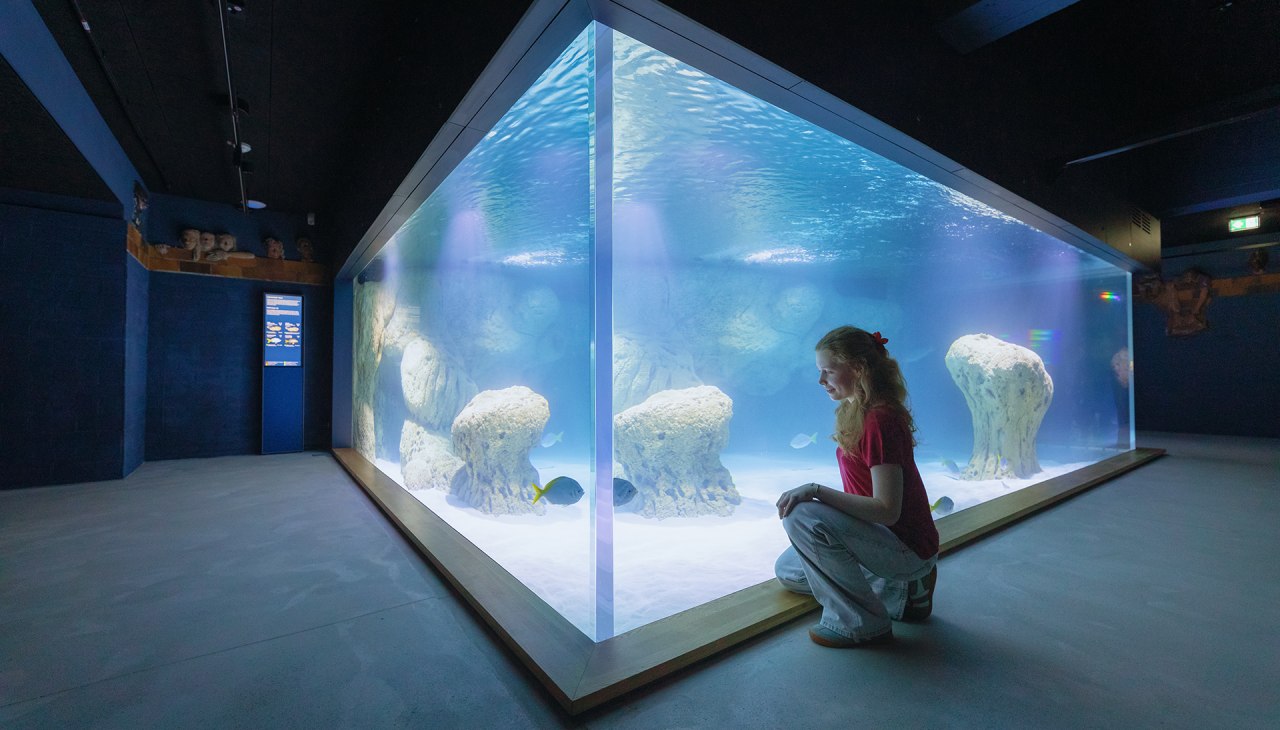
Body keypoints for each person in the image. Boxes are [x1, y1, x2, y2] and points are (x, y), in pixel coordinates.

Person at [775, 325, 940, 647]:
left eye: (828, 371)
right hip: (881, 537)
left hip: (905, 545)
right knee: (788, 571)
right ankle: (898, 592)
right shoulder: (857, 410)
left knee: (803, 515)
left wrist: (816, 490)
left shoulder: (881, 420)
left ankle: (862, 624)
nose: (821, 381)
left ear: (859, 368)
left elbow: (887, 510)